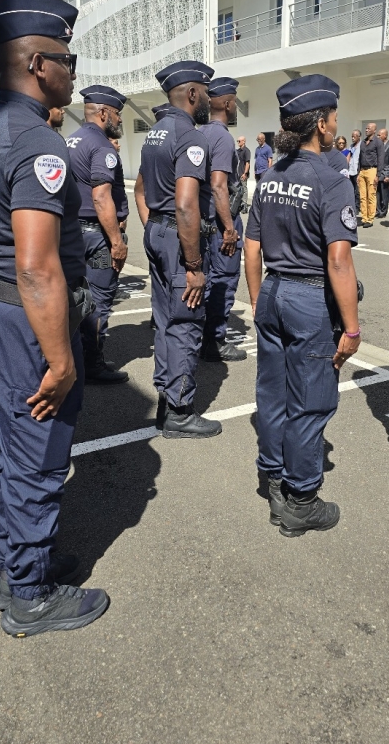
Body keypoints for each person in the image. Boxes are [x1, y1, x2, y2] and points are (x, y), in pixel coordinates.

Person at [0, 0, 108, 637]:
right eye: (68, 59)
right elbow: (37, 266)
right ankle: (30, 594)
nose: (74, 71)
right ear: (40, 64)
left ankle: (16, 564)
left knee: (6, 448)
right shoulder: (36, 140)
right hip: (22, 313)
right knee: (40, 455)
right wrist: (61, 358)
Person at [244, 74, 360, 537]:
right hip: (309, 298)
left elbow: (251, 248)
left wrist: (257, 303)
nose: (335, 125)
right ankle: (301, 499)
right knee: (310, 403)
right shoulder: (332, 181)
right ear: (322, 125)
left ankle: (272, 476)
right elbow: (339, 260)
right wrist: (351, 329)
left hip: (272, 292)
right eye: (332, 117)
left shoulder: (270, 176)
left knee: (272, 395)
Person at [134, 60, 222, 439]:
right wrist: (194, 264)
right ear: (191, 93)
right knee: (185, 322)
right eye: (205, 92)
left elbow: (139, 190)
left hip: (157, 230)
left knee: (165, 321)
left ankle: (166, 399)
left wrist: (154, 226)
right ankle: (181, 410)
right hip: (177, 238)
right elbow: (186, 204)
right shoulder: (190, 135)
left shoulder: (155, 132)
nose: (208, 99)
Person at [66, 85, 129, 383]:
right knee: (99, 301)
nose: (119, 120)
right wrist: (116, 241)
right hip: (96, 236)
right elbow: (102, 198)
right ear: (104, 112)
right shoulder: (102, 146)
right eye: (117, 113)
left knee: (75, 298)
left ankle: (78, 357)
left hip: (72, 232)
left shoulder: (71, 139)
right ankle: (92, 364)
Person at [200, 77, 246, 363]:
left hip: (203, 219)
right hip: (220, 220)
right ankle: (214, 341)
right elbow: (219, 185)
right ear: (227, 104)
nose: (236, 106)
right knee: (224, 279)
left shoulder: (199, 132)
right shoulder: (223, 137)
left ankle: (203, 335)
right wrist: (229, 228)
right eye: (235, 101)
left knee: (206, 280)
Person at [358, 122, 384, 227]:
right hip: (362, 171)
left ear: (374, 130)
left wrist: (378, 174)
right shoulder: (363, 142)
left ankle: (370, 219)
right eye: (366, 128)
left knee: (371, 195)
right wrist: (359, 172)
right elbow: (360, 157)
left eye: (369, 128)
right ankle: (364, 218)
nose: (366, 130)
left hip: (372, 170)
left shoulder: (378, 142)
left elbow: (381, 159)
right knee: (362, 196)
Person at [375, 128, 389, 218]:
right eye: (377, 135)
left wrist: (388, 175)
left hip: (385, 174)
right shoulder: (378, 146)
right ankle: (378, 210)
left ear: (385, 136)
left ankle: (383, 211)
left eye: (380, 135)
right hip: (377, 173)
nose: (378, 136)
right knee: (378, 193)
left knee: (384, 194)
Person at [236, 135, 250, 211]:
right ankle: (238, 204)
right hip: (237, 173)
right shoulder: (238, 151)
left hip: (243, 173)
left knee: (244, 189)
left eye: (239, 141)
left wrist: (245, 173)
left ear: (244, 141)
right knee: (238, 189)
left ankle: (244, 205)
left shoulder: (246, 151)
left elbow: (247, 163)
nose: (238, 142)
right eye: (237, 141)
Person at [348, 129, 361, 212]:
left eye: (354, 136)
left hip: (357, 171)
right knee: (352, 189)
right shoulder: (351, 146)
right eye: (352, 136)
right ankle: (352, 205)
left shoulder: (361, 146)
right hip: (350, 170)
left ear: (359, 137)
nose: (353, 138)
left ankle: (357, 207)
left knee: (357, 190)